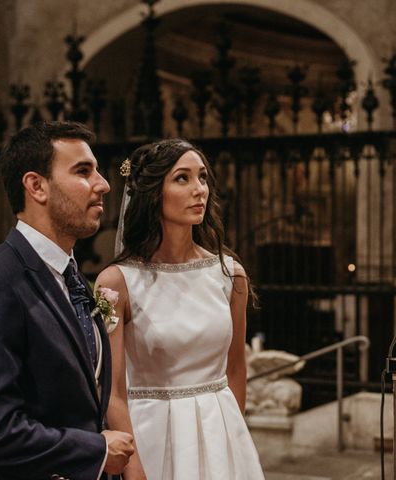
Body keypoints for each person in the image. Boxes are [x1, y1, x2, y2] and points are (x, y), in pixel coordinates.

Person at [0, 121, 135, 480]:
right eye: (83, 171)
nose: (104, 184)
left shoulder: (73, 278)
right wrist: (96, 451)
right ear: (36, 186)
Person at [96, 139, 264, 479]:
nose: (199, 189)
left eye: (202, 177)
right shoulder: (116, 283)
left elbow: (235, 369)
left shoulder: (229, 274)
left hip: (221, 433)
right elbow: (111, 391)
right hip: (151, 434)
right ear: (154, 192)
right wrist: (133, 465)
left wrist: (232, 440)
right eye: (182, 178)